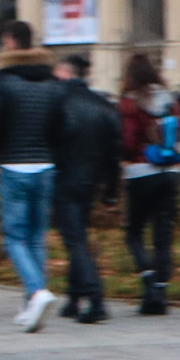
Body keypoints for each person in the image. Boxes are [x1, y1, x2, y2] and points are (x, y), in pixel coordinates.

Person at [0, 20, 65, 331]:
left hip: (13, 165)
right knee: (36, 236)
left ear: (11, 42)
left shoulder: (1, 82)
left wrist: (1, 150)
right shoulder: (52, 83)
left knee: (14, 238)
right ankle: (32, 303)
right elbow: (61, 125)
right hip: (45, 166)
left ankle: (37, 292)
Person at [51, 52, 119, 324]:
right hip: (91, 181)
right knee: (77, 236)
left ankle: (95, 298)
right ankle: (73, 298)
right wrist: (112, 191)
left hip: (64, 178)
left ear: (65, 72)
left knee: (75, 240)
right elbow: (114, 154)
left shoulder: (57, 103)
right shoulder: (103, 106)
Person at [117, 52, 180, 316]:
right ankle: (160, 291)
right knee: (163, 234)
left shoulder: (129, 103)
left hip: (141, 172)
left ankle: (149, 284)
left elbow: (126, 142)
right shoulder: (171, 100)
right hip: (172, 172)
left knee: (133, 232)